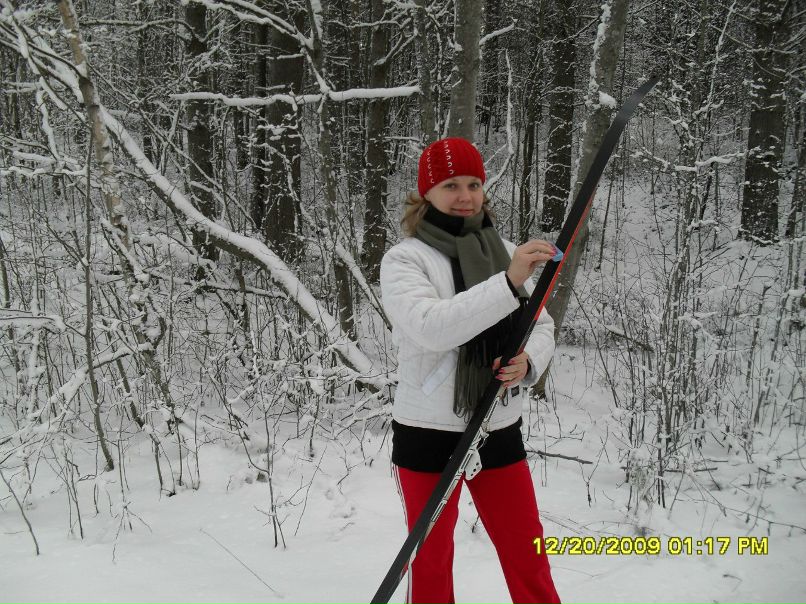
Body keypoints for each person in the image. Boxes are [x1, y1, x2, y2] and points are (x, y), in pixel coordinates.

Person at [379, 137, 562, 604]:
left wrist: (528, 361)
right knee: (432, 562)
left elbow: (540, 325)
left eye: (474, 184)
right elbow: (431, 328)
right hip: (428, 431)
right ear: (426, 194)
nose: (465, 196)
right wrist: (507, 283)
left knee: (528, 552)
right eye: (451, 185)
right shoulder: (406, 259)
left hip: (497, 423)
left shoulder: (503, 250)